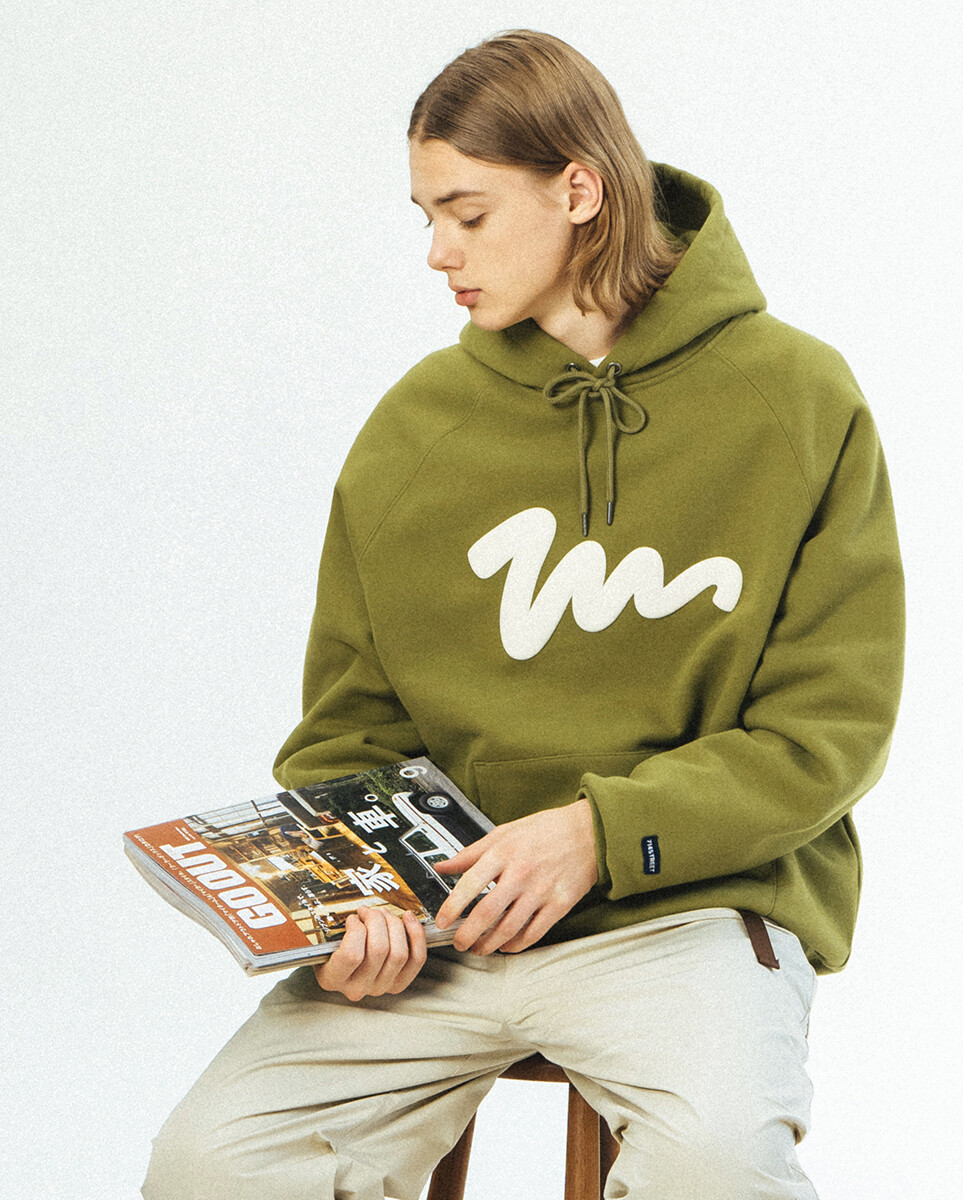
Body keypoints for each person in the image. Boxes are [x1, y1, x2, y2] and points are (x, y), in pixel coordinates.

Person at [143, 28, 904, 1200]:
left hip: (684, 913)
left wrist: (601, 832)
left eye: (468, 213)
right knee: (212, 1163)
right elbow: (347, 730)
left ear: (579, 191)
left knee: (716, 1163)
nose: (438, 252)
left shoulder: (798, 401)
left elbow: (826, 733)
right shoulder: (417, 428)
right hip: (440, 940)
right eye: (426, 216)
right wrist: (362, 902)